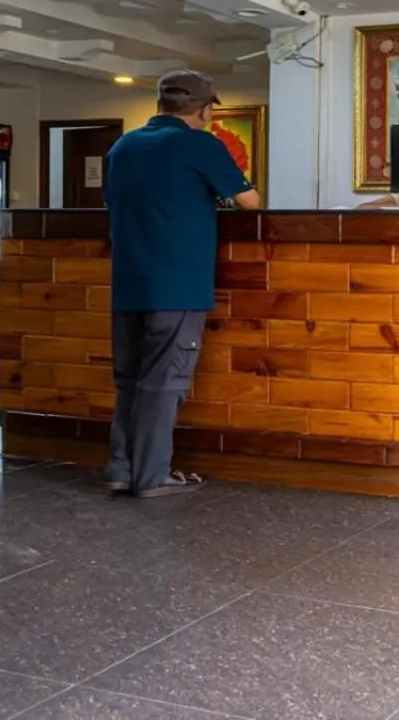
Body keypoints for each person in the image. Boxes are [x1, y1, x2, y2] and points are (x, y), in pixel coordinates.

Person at [102, 70, 261, 497]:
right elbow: (251, 202)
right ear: (206, 108)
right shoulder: (199, 144)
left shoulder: (123, 146)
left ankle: (122, 469)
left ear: (160, 104)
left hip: (128, 282)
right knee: (163, 382)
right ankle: (152, 476)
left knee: (129, 380)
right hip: (177, 283)